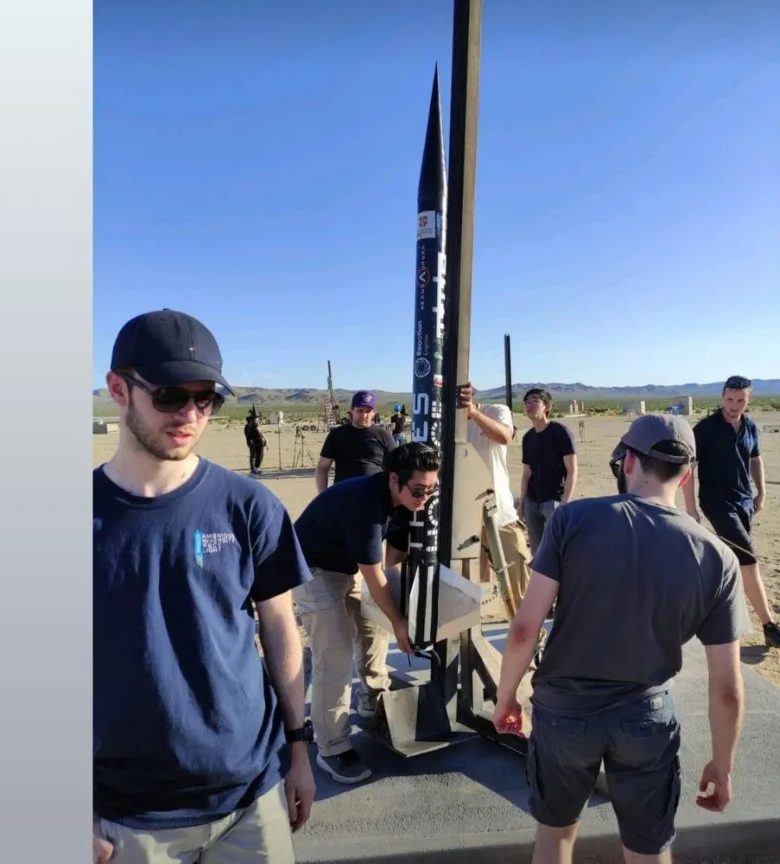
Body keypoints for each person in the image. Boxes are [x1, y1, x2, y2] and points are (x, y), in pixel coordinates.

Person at [93, 310, 316, 864]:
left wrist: (300, 750)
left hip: (250, 798)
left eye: (206, 399)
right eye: (169, 395)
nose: (189, 414)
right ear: (119, 389)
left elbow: (279, 626)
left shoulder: (249, 507)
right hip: (128, 817)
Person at [493, 414, 747, 864]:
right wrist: (722, 765)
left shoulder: (571, 520)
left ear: (627, 461)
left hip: (563, 714)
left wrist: (507, 697)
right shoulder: (718, 557)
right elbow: (727, 688)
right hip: (646, 717)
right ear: (685, 473)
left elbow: (523, 629)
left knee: (555, 837)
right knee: (648, 851)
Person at [291, 443, 438, 785]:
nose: (425, 498)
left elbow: (392, 563)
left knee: (374, 626)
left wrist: (395, 614)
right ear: (393, 480)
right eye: (418, 490)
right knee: (336, 648)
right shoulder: (366, 505)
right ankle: (332, 745)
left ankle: (373, 699)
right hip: (310, 566)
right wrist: (400, 622)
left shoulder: (408, 500)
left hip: (345, 564)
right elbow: (373, 575)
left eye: (431, 489)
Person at [683, 375, 780, 648]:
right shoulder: (705, 429)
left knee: (735, 560)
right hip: (717, 504)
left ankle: (710, 609)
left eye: (740, 400)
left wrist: (761, 492)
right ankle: (769, 624)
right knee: (749, 559)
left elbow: (755, 459)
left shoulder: (750, 425)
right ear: (722, 397)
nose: (734, 405)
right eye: (730, 399)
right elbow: (688, 470)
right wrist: (691, 507)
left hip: (744, 502)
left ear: (748, 400)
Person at [455, 384, 531, 614]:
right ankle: (474, 631)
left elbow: (505, 436)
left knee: (516, 577)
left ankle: (531, 639)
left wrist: (473, 413)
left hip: (500, 512)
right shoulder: (446, 422)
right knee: (469, 580)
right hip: (465, 515)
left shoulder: (496, 411)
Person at [519, 387, 578, 549]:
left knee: (558, 548)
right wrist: (522, 504)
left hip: (554, 501)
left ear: (547, 406)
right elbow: (526, 473)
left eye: (535, 401)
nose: (530, 405)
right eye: (527, 402)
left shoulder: (560, 432)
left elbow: (572, 469)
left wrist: (565, 503)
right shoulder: (528, 438)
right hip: (532, 501)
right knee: (537, 552)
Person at [315, 390, 397, 492]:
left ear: (374, 413)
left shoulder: (383, 435)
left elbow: (397, 467)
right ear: (352, 409)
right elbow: (322, 467)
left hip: (375, 496)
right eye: (360, 410)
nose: (364, 415)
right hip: (343, 496)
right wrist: (323, 496)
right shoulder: (336, 435)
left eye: (368, 411)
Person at [244, 409, 269, 476]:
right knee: (257, 455)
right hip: (254, 442)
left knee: (254, 455)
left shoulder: (248, 426)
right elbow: (258, 432)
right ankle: (255, 469)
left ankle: (254, 469)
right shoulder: (253, 425)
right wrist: (265, 439)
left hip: (251, 442)